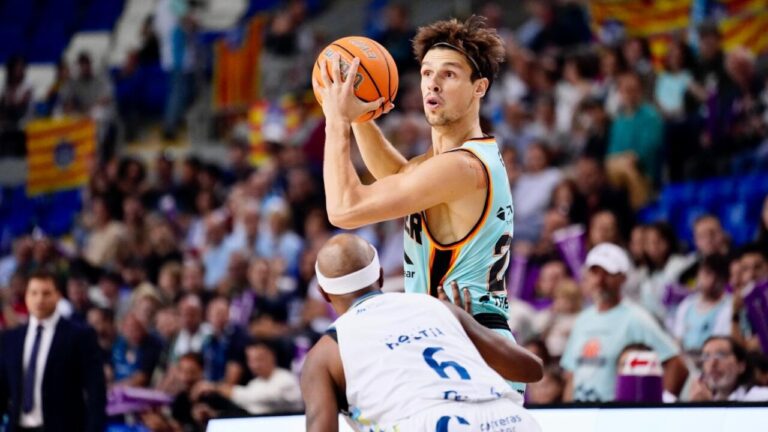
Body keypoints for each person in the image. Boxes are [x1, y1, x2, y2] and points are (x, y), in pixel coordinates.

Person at [315, 16, 525, 394]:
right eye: (427, 72)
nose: (432, 82)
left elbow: (343, 210)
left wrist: (337, 122)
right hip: (454, 346)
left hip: (473, 351)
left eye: (449, 74)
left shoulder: (461, 167)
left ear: (480, 88)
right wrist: (362, 115)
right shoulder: (443, 163)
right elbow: (396, 174)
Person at [301, 234, 543, 431]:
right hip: (508, 418)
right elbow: (531, 369)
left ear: (323, 294)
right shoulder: (439, 307)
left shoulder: (324, 353)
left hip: (424, 423)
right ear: (381, 276)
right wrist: (462, 335)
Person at [560, 243, 689, 402]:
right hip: (582, 415)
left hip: (614, 415)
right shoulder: (582, 320)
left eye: (608, 274)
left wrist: (662, 405)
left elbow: (677, 365)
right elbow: (572, 374)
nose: (600, 280)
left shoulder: (635, 317)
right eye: (595, 272)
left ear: (623, 278)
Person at [0, 270, 106, 432]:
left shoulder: (79, 336)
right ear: (26, 296)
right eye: (33, 293)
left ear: (58, 295)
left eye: (46, 293)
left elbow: (95, 391)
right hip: (18, 426)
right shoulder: (11, 339)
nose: (39, 299)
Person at [689, 336, 768, 402]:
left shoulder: (762, 397)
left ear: (741, 366)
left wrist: (707, 407)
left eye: (721, 355)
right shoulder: (700, 399)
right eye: (706, 356)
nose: (712, 363)